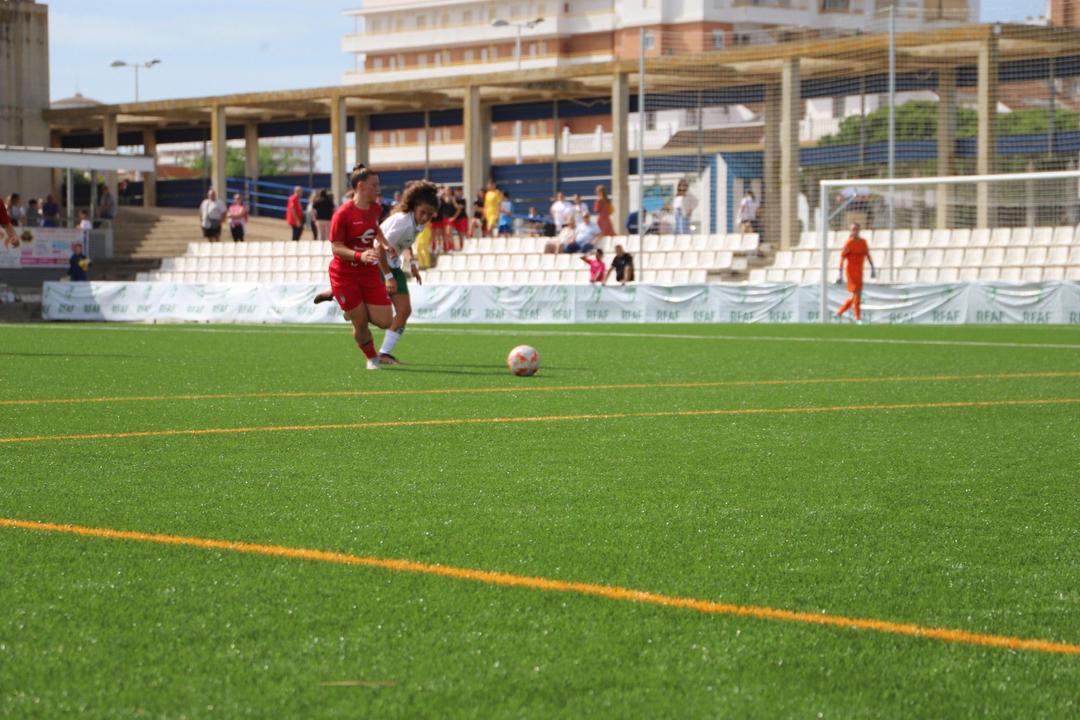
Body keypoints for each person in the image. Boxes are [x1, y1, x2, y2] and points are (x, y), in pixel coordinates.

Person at [322, 165, 397, 370]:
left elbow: (374, 227)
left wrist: (384, 243)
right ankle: (371, 357)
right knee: (360, 321)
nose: (378, 189)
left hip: (367, 272)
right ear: (361, 186)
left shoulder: (375, 208)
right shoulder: (342, 214)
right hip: (344, 273)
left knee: (385, 321)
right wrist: (359, 255)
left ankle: (344, 302)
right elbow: (336, 248)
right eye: (375, 185)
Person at [375, 180, 438, 364]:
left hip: (393, 265)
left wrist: (412, 264)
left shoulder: (417, 223)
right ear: (414, 206)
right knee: (377, 315)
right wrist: (388, 277)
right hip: (376, 265)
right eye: (423, 212)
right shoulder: (402, 221)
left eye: (430, 214)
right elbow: (379, 247)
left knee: (404, 311)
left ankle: (384, 354)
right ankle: (344, 297)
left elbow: (405, 244)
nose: (425, 217)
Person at [836, 223, 876, 323]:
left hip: (860, 272)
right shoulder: (848, 243)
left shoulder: (863, 242)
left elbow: (868, 255)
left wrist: (872, 268)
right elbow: (842, 259)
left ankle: (839, 312)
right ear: (851, 231)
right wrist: (839, 274)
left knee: (857, 296)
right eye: (853, 229)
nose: (855, 231)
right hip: (851, 272)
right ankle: (857, 318)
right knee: (857, 294)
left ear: (859, 230)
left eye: (856, 229)